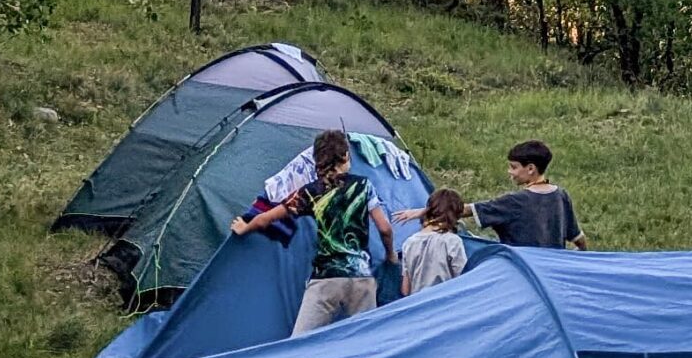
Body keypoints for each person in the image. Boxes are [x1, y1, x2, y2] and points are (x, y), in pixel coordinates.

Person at [230, 129, 395, 335]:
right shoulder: (363, 186)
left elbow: (266, 219)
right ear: (345, 156)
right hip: (360, 277)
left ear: (317, 160)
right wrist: (390, 256)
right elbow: (385, 228)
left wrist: (245, 227)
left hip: (326, 278)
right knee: (365, 342)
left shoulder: (310, 192)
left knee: (300, 341)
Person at [399, 139, 587, 250]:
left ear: (530, 169)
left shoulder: (515, 202)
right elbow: (578, 237)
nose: (509, 172)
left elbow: (466, 210)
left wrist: (424, 211)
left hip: (524, 272)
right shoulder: (560, 195)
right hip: (551, 272)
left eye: (513, 167)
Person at [398, 188, 470, 298]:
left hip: (418, 305)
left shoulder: (409, 243)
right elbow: (463, 280)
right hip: (444, 304)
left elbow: (405, 289)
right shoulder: (452, 241)